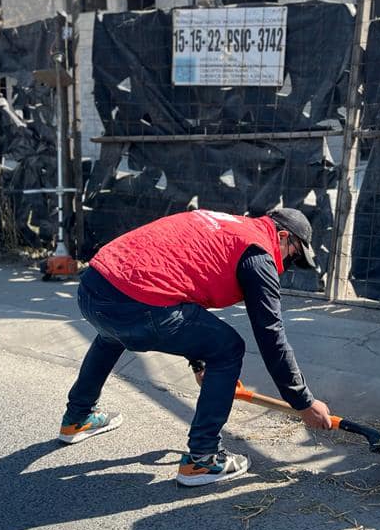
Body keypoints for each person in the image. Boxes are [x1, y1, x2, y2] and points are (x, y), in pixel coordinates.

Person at [57, 207, 333, 486]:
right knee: (228, 348)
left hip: (94, 287)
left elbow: (183, 283)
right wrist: (303, 402)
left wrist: (199, 361)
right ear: (283, 236)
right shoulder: (258, 254)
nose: (287, 265)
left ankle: (77, 417)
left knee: (112, 334)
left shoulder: (225, 224)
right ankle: (204, 459)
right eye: (294, 255)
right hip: (137, 304)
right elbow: (272, 337)